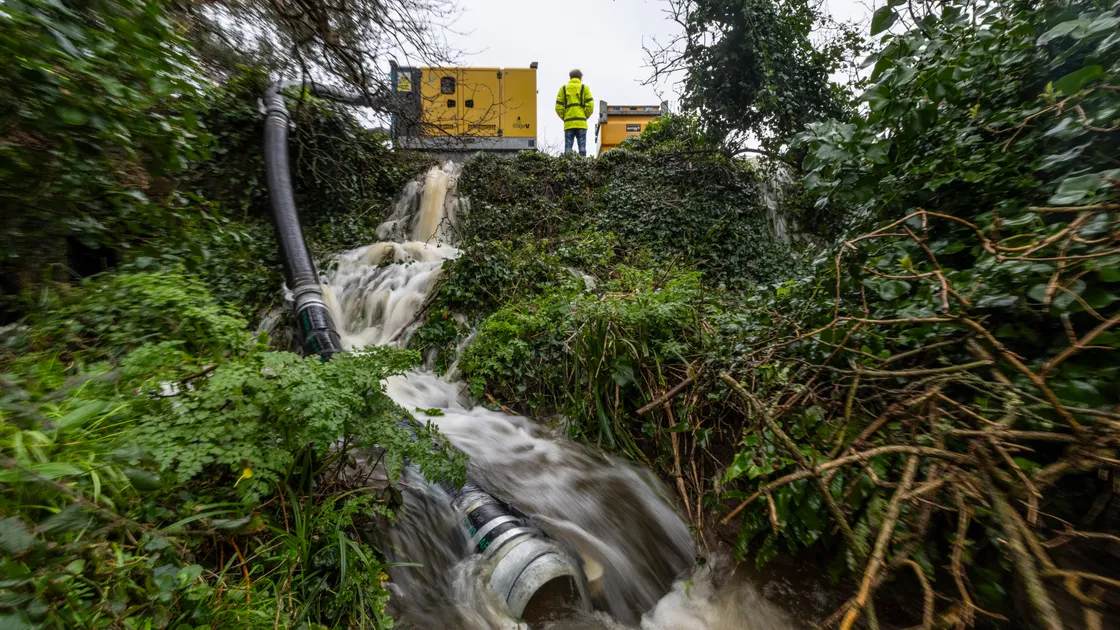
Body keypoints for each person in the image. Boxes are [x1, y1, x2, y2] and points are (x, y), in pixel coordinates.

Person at [555, 69, 594, 156]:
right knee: (582, 149)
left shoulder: (563, 89)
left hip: (568, 124)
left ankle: (567, 164)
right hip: (581, 123)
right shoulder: (585, 88)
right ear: (580, 78)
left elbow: (558, 107)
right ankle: (583, 163)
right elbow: (590, 106)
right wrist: (585, 116)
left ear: (570, 77)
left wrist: (565, 117)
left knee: (568, 149)